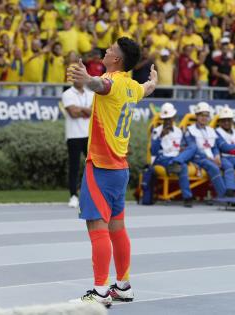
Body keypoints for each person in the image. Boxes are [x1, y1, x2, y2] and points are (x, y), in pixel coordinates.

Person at [67, 37, 158, 307]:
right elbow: (147, 88)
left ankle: (100, 292)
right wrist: (153, 81)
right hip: (121, 169)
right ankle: (123, 285)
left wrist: (87, 78)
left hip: (102, 167)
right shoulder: (131, 86)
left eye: (111, 50)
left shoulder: (112, 81)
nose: (106, 50)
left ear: (117, 59)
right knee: (117, 228)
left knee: (98, 228)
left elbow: (101, 85)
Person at [184, 102, 235, 198]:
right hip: (198, 158)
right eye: (201, 115)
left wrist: (216, 155)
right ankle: (223, 196)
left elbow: (214, 147)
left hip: (212, 157)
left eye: (206, 115)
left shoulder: (211, 130)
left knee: (228, 165)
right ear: (196, 116)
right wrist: (209, 158)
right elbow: (193, 149)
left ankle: (231, 191)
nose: (204, 118)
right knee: (214, 167)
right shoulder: (190, 130)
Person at [151, 103, 194, 207]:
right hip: (163, 158)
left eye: (170, 118)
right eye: (166, 119)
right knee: (182, 167)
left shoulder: (179, 131)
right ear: (163, 119)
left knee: (190, 150)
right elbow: (153, 151)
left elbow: (181, 145)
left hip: (176, 157)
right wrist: (160, 137)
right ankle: (187, 197)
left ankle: (174, 164)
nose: (168, 121)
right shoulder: (157, 131)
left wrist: (182, 148)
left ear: (174, 117)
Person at [61, 72, 94, 208]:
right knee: (74, 167)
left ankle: (92, 195)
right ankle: (73, 196)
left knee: (93, 167)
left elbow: (94, 112)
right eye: (76, 77)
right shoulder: (67, 94)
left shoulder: (91, 94)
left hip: (89, 135)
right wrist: (86, 110)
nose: (79, 80)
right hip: (74, 135)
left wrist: (80, 109)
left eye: (81, 77)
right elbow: (73, 114)